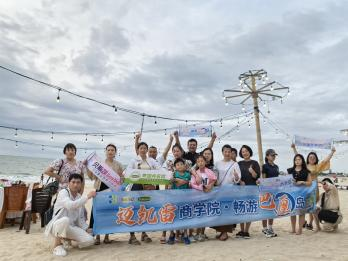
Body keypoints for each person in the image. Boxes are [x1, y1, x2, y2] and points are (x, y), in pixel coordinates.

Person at [44, 174, 96, 257]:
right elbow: (70, 205)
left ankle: (66, 238)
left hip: (70, 227)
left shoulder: (79, 197)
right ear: (69, 183)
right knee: (65, 220)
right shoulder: (63, 192)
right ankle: (57, 245)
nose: (75, 184)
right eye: (73, 182)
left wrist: (86, 229)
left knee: (90, 240)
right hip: (57, 226)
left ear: (81, 184)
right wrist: (88, 197)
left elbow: (80, 219)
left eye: (78, 182)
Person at [291, 144, 336, 231]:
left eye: (313, 157)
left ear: (316, 159)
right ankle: (308, 223)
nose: (312, 158)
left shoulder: (317, 167)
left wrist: (332, 152)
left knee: (313, 207)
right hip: (304, 188)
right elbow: (298, 157)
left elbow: (325, 161)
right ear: (307, 158)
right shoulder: (304, 166)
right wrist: (294, 148)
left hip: (313, 189)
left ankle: (316, 226)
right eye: (310, 157)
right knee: (303, 206)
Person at [86, 144, 124, 245]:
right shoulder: (99, 163)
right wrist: (87, 167)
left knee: (109, 213)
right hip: (99, 190)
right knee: (97, 212)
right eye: (108, 150)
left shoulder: (119, 165)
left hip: (112, 192)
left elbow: (122, 180)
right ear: (105, 151)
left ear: (115, 152)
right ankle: (97, 236)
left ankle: (107, 236)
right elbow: (92, 177)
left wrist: (121, 178)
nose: (110, 152)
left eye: (112, 150)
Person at [126, 141, 161, 245]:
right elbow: (127, 172)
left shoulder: (151, 161)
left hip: (148, 188)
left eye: (144, 148)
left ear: (147, 150)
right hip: (135, 188)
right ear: (138, 150)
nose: (143, 150)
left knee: (144, 210)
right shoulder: (133, 160)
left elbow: (159, 170)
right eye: (141, 148)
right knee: (133, 210)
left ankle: (143, 233)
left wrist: (154, 184)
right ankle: (132, 236)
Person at [213, 144, 241, 241]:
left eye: (229, 152)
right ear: (222, 152)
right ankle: (221, 231)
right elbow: (214, 176)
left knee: (226, 211)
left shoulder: (235, 164)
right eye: (225, 151)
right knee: (219, 211)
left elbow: (237, 179)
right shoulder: (217, 163)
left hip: (229, 191)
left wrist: (237, 177)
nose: (227, 153)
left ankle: (225, 232)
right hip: (218, 190)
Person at [190, 155, 217, 241]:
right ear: (197, 163)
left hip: (207, 196)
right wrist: (201, 187)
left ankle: (202, 233)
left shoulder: (209, 171)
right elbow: (192, 184)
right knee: (199, 215)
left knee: (205, 215)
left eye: (202, 161)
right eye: (198, 161)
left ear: (205, 162)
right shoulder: (195, 173)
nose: (200, 163)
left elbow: (214, 179)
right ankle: (197, 233)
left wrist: (210, 186)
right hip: (197, 197)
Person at [237, 145, 260, 239]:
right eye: (243, 152)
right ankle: (241, 230)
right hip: (241, 189)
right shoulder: (239, 163)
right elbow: (236, 177)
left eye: (246, 151)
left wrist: (252, 171)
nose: (245, 153)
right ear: (241, 154)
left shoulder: (255, 163)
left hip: (252, 189)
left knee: (249, 210)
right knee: (242, 210)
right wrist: (240, 181)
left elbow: (256, 177)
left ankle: (246, 231)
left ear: (249, 152)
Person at [167, 158, 191, 245]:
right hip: (174, 199)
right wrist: (175, 180)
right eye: (177, 165)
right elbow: (171, 182)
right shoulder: (174, 173)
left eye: (181, 164)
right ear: (175, 167)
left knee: (184, 216)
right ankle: (172, 235)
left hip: (185, 199)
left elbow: (186, 182)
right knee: (173, 217)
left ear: (185, 165)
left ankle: (185, 235)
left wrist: (177, 180)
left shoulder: (188, 174)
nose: (180, 166)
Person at [287, 154, 312, 235]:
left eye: (299, 159)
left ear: (302, 161)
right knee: (292, 212)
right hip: (292, 194)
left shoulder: (306, 171)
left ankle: (300, 229)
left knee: (301, 212)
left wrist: (302, 182)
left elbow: (310, 183)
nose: (297, 161)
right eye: (296, 160)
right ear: (294, 161)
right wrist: (290, 181)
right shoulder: (290, 170)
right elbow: (286, 181)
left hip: (303, 195)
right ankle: (293, 229)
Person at [261, 149, 279, 238]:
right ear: (267, 156)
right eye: (272, 155)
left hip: (275, 191)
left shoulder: (276, 167)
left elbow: (278, 179)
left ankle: (270, 227)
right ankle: (264, 228)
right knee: (265, 209)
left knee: (272, 210)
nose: (273, 157)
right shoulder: (264, 166)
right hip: (266, 191)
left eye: (274, 155)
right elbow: (264, 179)